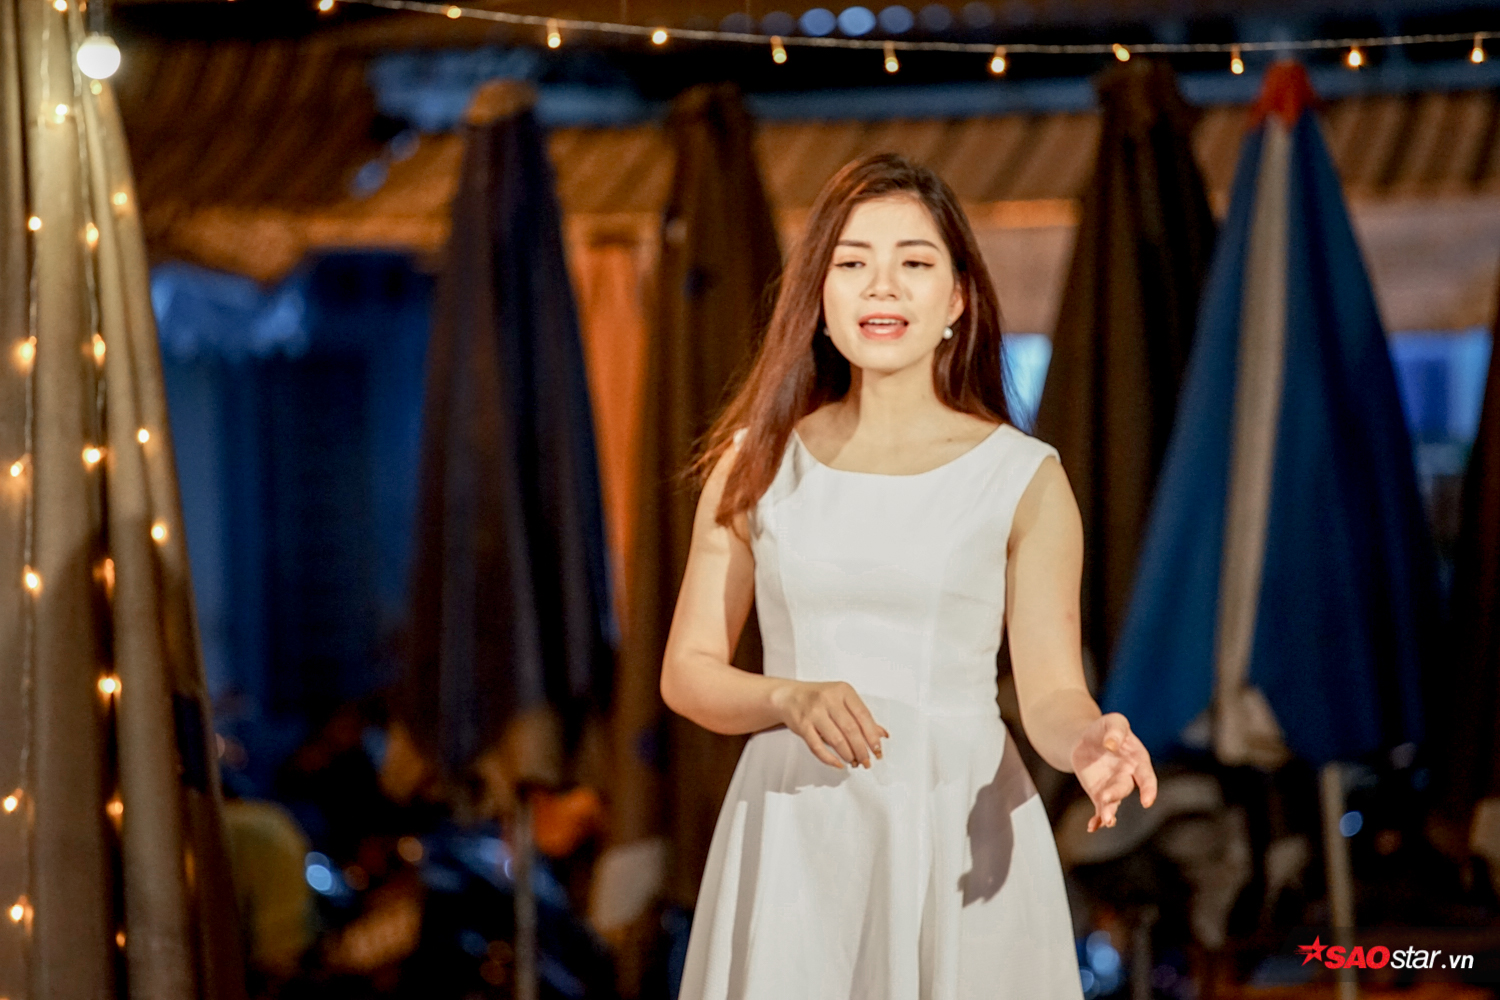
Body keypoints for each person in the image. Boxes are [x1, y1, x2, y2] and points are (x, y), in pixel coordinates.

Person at [659, 153, 1159, 999]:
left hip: (956, 817)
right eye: (852, 263)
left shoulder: (1023, 477)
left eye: (914, 263)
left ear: (958, 297)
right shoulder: (756, 464)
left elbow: (1049, 692)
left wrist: (1087, 743)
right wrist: (787, 698)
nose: (881, 286)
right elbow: (688, 671)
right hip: (795, 829)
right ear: (819, 295)